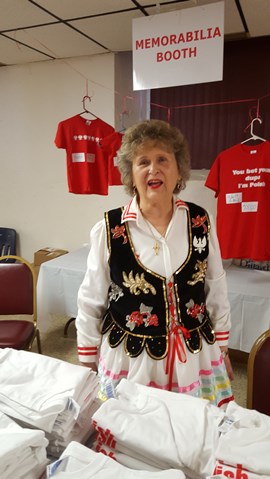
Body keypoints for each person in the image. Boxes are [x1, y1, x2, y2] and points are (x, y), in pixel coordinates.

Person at [76, 119, 234, 407]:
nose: (153, 168)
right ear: (131, 174)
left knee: (193, 433)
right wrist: (87, 361)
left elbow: (215, 285)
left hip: (195, 356)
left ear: (178, 170)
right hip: (132, 360)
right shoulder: (108, 230)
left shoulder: (200, 222)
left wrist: (222, 348)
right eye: (143, 161)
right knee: (136, 437)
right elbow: (91, 299)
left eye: (163, 159)